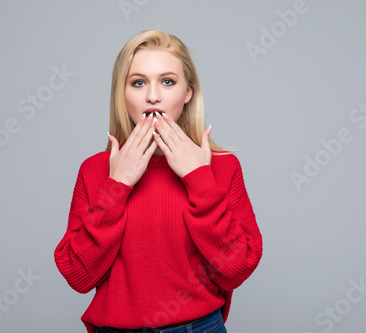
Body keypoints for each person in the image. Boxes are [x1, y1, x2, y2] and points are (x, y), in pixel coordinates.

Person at [54, 29, 263, 333]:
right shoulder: (96, 170)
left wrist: (198, 178)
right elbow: (78, 275)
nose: (153, 95)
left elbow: (236, 269)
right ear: (122, 94)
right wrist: (119, 183)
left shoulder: (221, 167)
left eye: (168, 82)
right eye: (138, 82)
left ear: (188, 92)